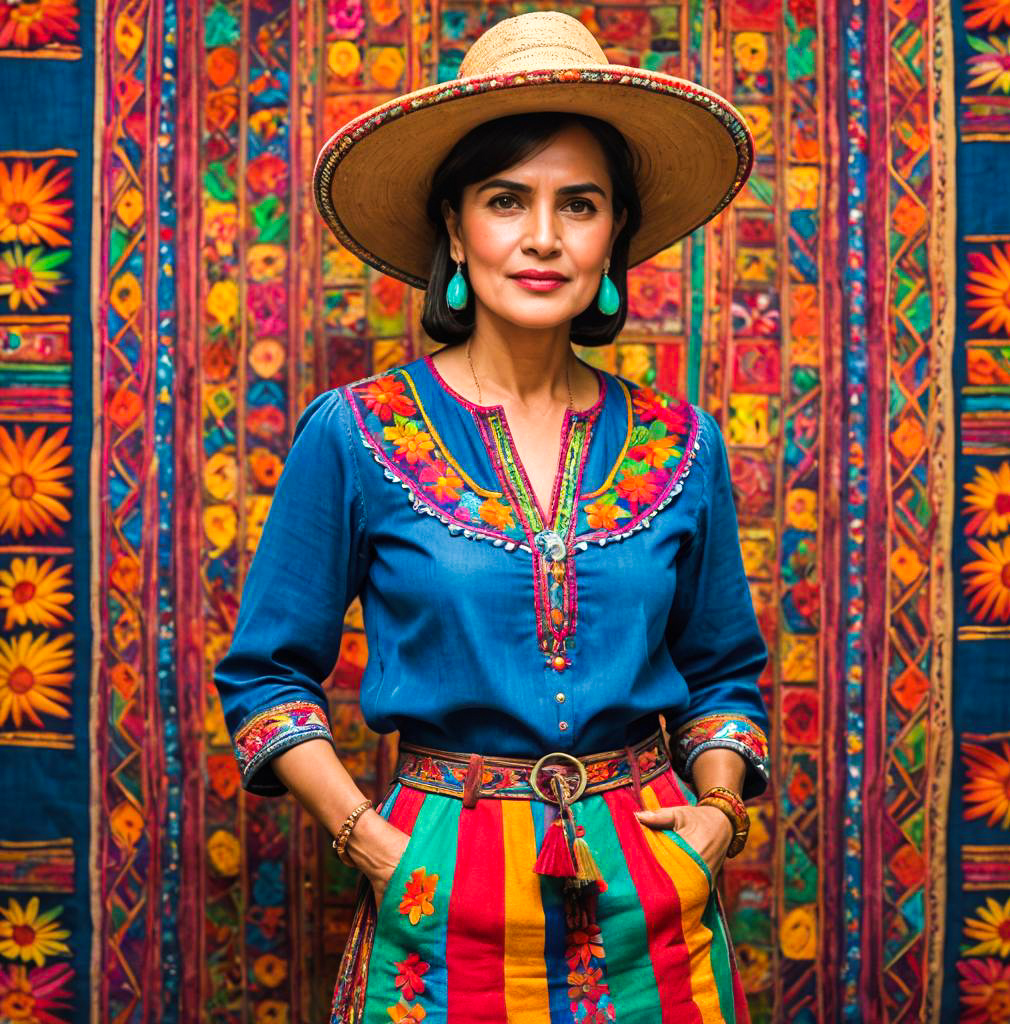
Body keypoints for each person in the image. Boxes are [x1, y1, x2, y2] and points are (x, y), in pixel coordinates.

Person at [215, 11, 770, 1023]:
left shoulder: (683, 445)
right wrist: (371, 842)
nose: (544, 237)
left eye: (581, 204)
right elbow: (262, 678)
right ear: (456, 230)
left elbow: (724, 669)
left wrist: (718, 815)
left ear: (615, 238)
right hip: (440, 892)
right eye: (506, 200)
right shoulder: (355, 432)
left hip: (651, 902)